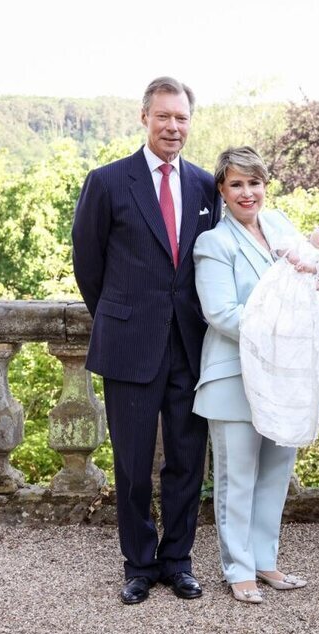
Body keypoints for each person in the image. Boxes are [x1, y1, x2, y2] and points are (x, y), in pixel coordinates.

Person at [71, 76, 219, 605]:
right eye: (164, 117)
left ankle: (178, 561)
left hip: (190, 345)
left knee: (185, 460)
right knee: (132, 464)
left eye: (181, 118)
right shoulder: (108, 181)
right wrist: (124, 318)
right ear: (144, 117)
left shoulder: (206, 186)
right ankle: (138, 564)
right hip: (130, 344)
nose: (173, 127)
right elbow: (88, 266)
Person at [193, 146, 319, 604]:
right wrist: (285, 329)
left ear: (264, 185)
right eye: (236, 184)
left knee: (276, 473)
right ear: (222, 189)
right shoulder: (212, 243)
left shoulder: (279, 226)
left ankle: (266, 561)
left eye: (254, 183)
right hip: (234, 373)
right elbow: (222, 313)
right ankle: (238, 569)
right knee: (237, 477)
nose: (247, 192)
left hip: (285, 378)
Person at [240, 223, 319, 448]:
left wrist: (317, 269)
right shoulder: (296, 239)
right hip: (277, 296)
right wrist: (290, 254)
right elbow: (279, 246)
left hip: (304, 303)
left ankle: (292, 420)